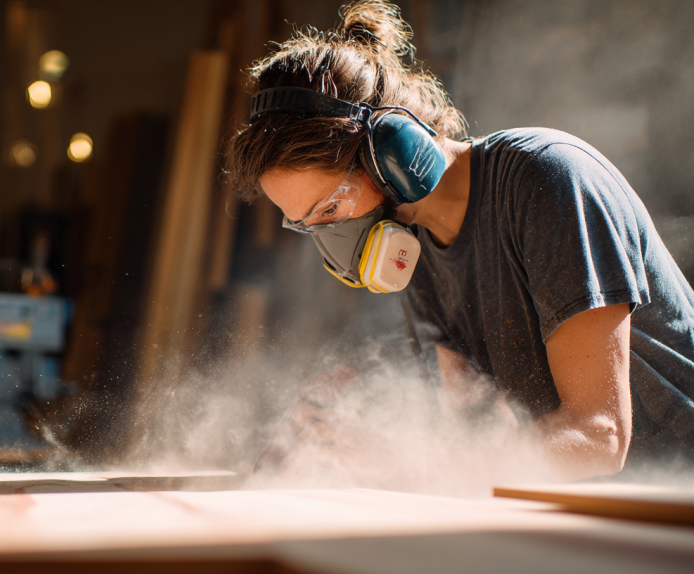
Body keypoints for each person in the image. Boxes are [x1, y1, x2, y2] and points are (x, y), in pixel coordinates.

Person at [228, 0, 694, 482]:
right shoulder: (414, 250)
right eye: (309, 223)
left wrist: (406, 468)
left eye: (331, 208)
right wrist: (347, 428)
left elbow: (598, 436)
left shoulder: (548, 180)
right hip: (599, 506)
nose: (333, 237)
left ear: (393, 150)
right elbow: (482, 429)